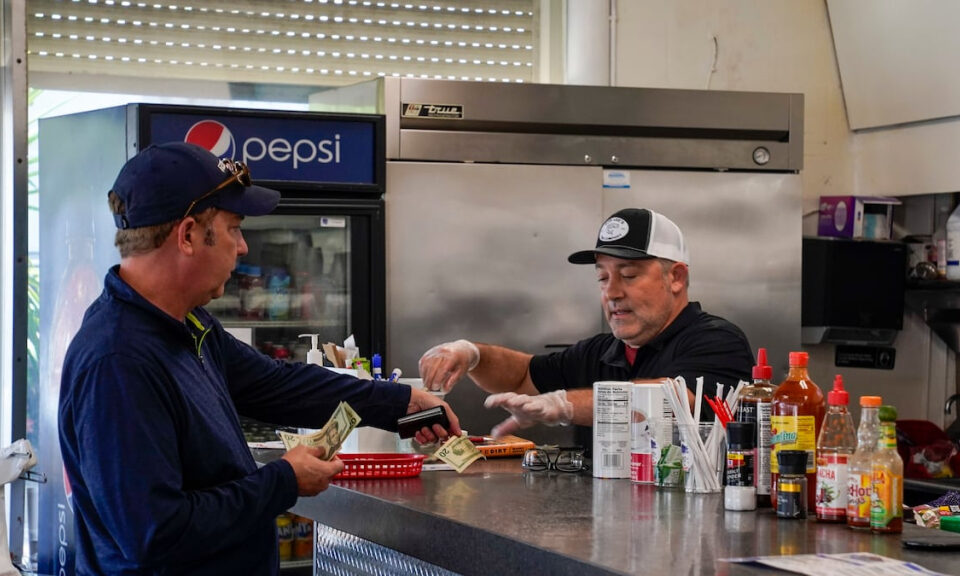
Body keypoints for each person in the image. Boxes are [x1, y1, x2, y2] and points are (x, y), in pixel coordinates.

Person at [58, 142, 461, 576]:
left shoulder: (189, 325)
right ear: (189, 235)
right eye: (234, 227)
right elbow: (156, 533)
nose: (244, 247)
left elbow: (277, 384)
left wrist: (398, 402)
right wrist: (283, 482)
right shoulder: (119, 362)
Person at [418, 207, 752, 446]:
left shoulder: (717, 341)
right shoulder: (601, 351)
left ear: (676, 277)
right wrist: (472, 354)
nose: (612, 292)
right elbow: (522, 376)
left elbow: (672, 401)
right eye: (603, 278)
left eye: (629, 275)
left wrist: (564, 405)